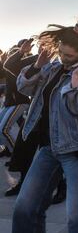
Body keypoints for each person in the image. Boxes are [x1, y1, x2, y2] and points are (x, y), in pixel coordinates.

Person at [12, 17, 78, 233]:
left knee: (77, 215)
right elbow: (24, 88)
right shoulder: (52, 69)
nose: (63, 58)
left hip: (75, 149)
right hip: (47, 147)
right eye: (61, 52)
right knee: (24, 209)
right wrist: (37, 65)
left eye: (69, 56)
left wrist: (76, 78)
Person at [1, 39, 38, 196]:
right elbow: (6, 67)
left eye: (17, 50)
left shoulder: (30, 60)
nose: (13, 52)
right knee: (3, 130)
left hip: (20, 101)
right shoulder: (18, 62)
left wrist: (22, 52)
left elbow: (8, 64)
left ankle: (19, 156)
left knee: (4, 129)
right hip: (11, 102)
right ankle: (18, 155)